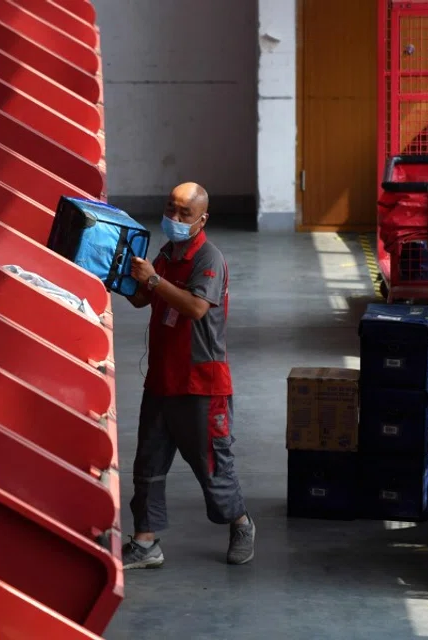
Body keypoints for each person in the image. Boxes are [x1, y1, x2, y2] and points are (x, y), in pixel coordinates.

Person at [122, 182, 254, 569]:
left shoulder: (207, 258)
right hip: (163, 378)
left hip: (201, 383)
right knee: (148, 463)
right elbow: (143, 298)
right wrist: (119, 274)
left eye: (184, 214)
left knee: (211, 464)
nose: (174, 219)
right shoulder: (168, 253)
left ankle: (241, 522)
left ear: (203, 219)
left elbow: (196, 307)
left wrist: (152, 280)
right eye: (171, 209)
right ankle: (146, 542)